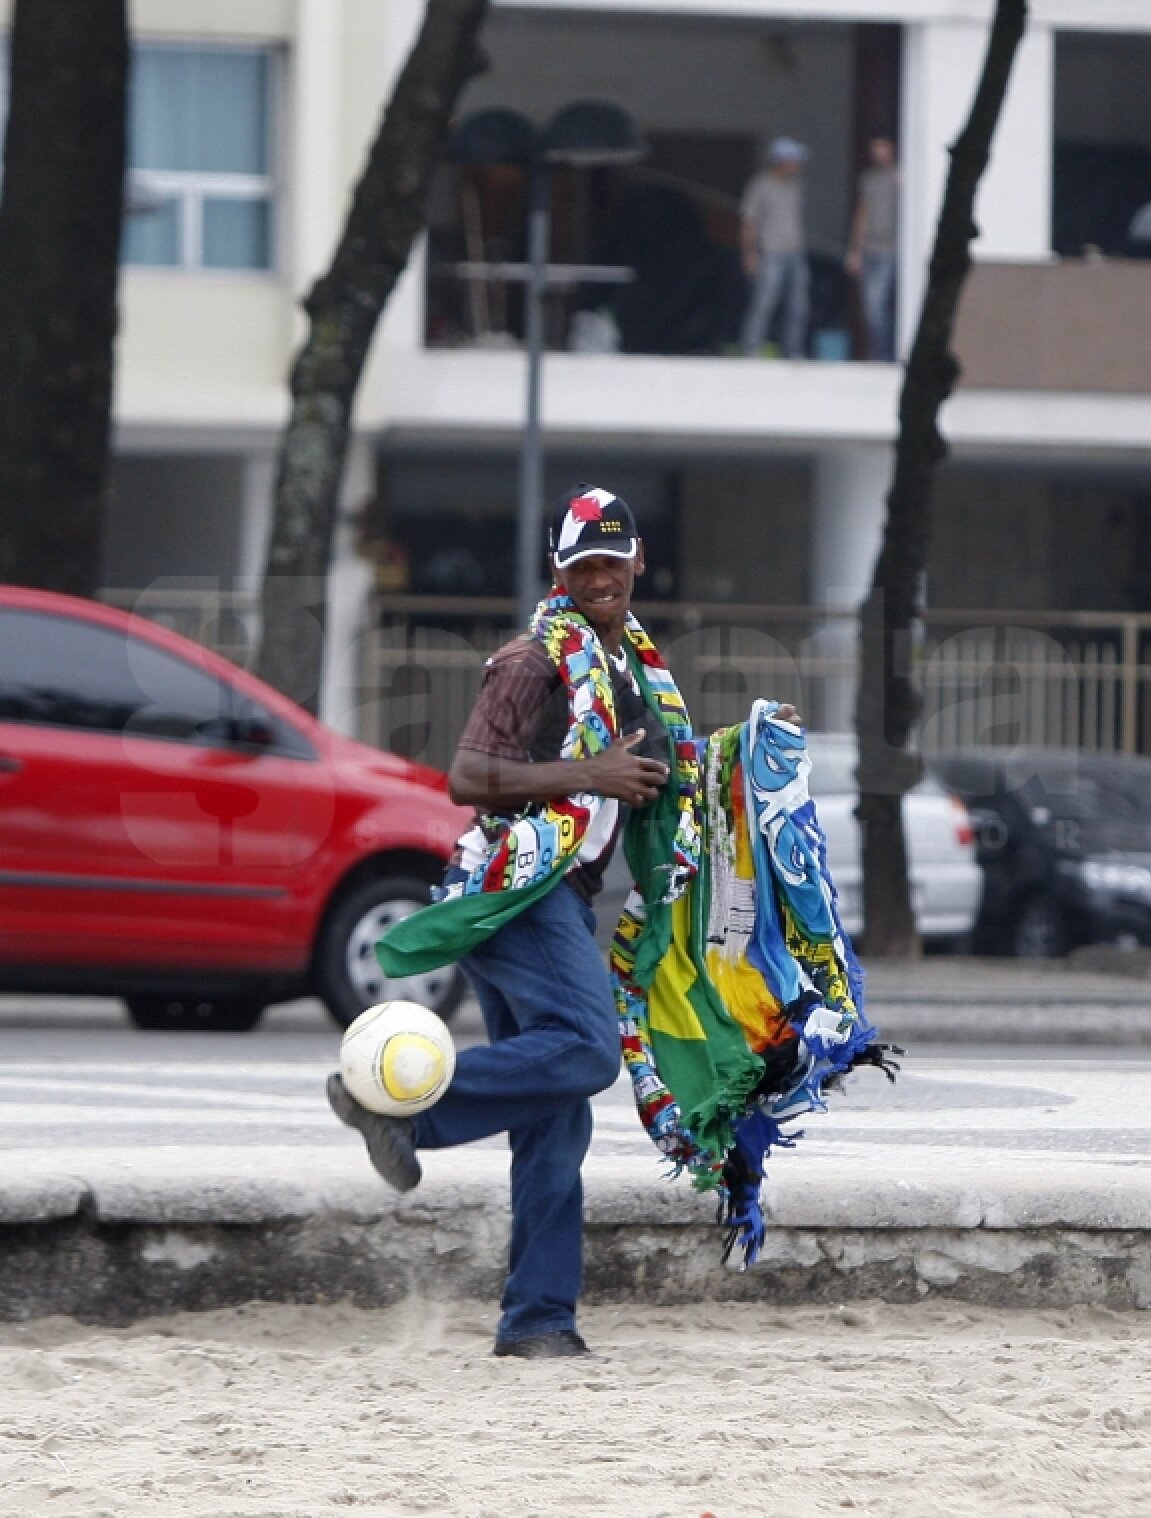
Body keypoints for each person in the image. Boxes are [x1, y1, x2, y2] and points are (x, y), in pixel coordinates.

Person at [327, 485, 674, 1360]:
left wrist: (758, 748)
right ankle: (404, 1113)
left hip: (563, 891)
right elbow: (468, 777)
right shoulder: (532, 660)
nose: (601, 578)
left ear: (638, 564)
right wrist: (585, 773)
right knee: (589, 1052)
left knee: (555, 1110)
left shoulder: (630, 665)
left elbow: (662, 773)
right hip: (514, 892)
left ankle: (539, 1321)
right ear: (558, 573)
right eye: (582, 565)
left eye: (613, 562)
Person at [740, 136, 811, 360]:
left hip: (796, 253)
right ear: (781, 160)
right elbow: (749, 222)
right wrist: (750, 254)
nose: (798, 165)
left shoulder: (796, 187)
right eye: (794, 160)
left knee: (798, 306)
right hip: (770, 253)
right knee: (765, 302)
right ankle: (752, 348)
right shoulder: (760, 185)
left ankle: (793, 350)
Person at [846, 136, 899, 362]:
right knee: (872, 306)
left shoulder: (902, 177)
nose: (877, 152)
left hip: (892, 250)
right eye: (874, 147)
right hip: (869, 249)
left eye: (881, 147)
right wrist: (854, 251)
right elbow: (862, 213)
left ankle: (886, 354)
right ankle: (879, 353)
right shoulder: (868, 179)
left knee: (884, 303)